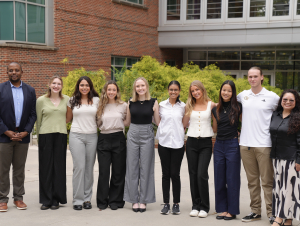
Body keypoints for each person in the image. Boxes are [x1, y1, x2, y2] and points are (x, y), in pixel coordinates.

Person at [237, 66, 279, 223]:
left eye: (255, 76)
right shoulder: (243, 96)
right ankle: (255, 211)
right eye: (250, 76)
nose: (252, 79)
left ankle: (271, 213)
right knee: (252, 181)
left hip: (264, 145)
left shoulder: (272, 97)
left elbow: (284, 112)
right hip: (245, 144)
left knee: (267, 182)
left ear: (262, 77)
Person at [0, 62, 36, 212]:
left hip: (22, 136)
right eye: (11, 70)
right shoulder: (1, 89)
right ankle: (2, 199)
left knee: (19, 169)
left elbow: (33, 114)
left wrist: (26, 131)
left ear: (22, 72)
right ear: (7, 72)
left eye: (16, 70)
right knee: (3, 169)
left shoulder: (30, 90)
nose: (13, 72)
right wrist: (6, 131)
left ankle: (18, 198)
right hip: (4, 136)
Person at [123, 77, 160, 212]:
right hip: (133, 133)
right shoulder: (130, 102)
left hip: (147, 134)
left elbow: (157, 122)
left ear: (146, 86)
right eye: (137, 86)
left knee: (146, 168)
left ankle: (144, 200)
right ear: (135, 88)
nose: (140, 88)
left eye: (142, 85)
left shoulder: (153, 102)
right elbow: (126, 122)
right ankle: (134, 200)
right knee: (132, 168)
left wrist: (156, 110)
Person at [182, 80, 216, 218]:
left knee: (202, 174)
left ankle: (205, 207)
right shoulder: (189, 105)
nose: (195, 92)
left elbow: (215, 126)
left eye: (197, 90)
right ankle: (195, 205)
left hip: (206, 143)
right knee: (193, 173)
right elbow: (184, 124)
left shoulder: (211, 104)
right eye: (192, 91)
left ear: (202, 89)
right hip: (191, 142)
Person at [36, 75, 69, 210]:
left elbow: (68, 118)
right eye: (54, 83)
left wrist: (59, 126)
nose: (56, 86)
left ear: (61, 86)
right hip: (45, 136)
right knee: (45, 168)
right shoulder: (41, 100)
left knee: (59, 168)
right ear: (49, 84)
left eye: (59, 84)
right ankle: (46, 199)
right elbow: (38, 120)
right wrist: (38, 138)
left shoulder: (66, 99)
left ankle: (56, 199)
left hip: (60, 135)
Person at [66, 76, 100, 211]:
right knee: (79, 167)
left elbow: (100, 117)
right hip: (76, 136)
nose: (84, 87)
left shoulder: (96, 100)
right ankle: (77, 199)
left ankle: (87, 199)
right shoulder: (72, 100)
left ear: (90, 86)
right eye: (82, 85)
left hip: (92, 136)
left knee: (89, 168)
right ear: (78, 86)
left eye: (86, 85)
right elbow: (68, 119)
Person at [212, 80, 242, 220]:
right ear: (220, 91)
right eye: (224, 90)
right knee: (219, 178)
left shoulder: (238, 107)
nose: (226, 93)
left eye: (229, 91)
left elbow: (245, 123)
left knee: (232, 179)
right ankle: (222, 208)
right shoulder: (215, 108)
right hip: (218, 145)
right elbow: (215, 128)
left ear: (233, 93)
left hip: (232, 145)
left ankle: (232, 210)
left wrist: (240, 134)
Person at [269, 89, 300, 226]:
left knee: (287, 189)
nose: (287, 102)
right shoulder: (275, 115)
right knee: (278, 188)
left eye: (291, 100)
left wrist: (299, 160)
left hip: (291, 158)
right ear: (281, 100)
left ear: (296, 102)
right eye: (285, 99)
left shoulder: (298, 117)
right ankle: (288, 218)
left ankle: (279, 218)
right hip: (276, 157)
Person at [96, 80, 127, 211]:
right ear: (105, 91)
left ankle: (115, 200)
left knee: (118, 172)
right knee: (104, 172)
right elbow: (97, 123)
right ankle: (102, 200)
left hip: (118, 137)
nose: (111, 92)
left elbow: (127, 121)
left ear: (117, 91)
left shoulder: (123, 105)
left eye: (114, 90)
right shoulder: (100, 105)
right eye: (109, 89)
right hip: (104, 138)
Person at [156, 81, 185, 215]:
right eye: (171, 89)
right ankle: (166, 203)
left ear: (179, 91)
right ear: (168, 90)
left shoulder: (183, 106)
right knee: (165, 174)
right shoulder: (161, 105)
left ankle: (176, 204)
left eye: (176, 90)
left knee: (175, 174)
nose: (173, 92)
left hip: (178, 144)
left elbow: (185, 124)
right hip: (164, 143)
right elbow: (156, 121)